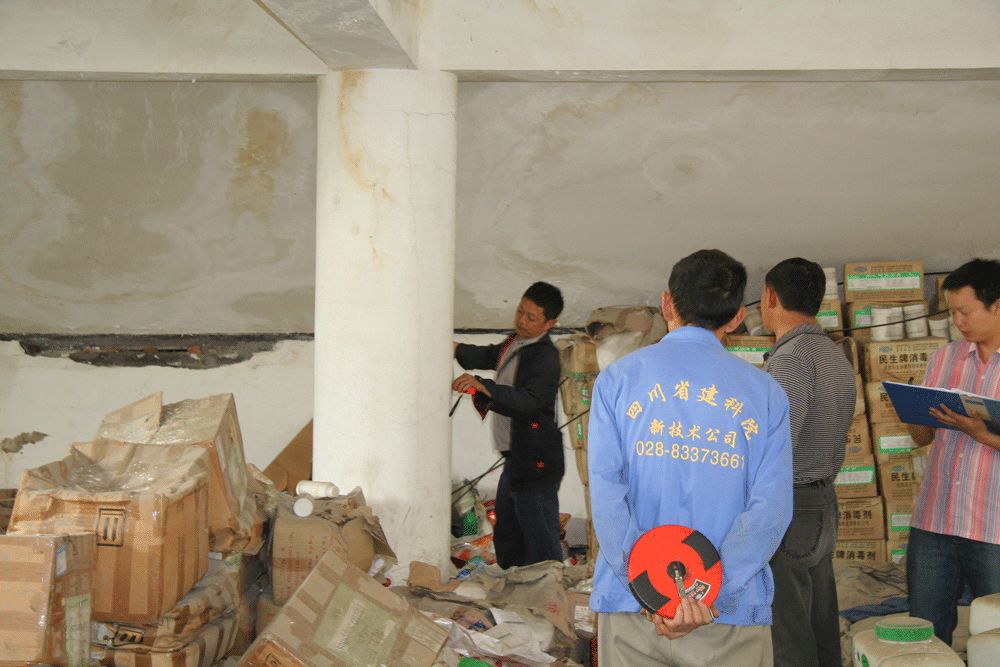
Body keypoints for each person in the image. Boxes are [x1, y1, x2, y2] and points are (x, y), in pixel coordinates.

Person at [588, 249, 793, 666]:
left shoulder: (617, 381)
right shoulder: (765, 394)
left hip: (633, 610)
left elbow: (608, 497)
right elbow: (771, 509)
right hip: (727, 615)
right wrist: (707, 594)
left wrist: (651, 591)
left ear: (667, 304)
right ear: (736, 317)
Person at [759, 258, 857, 667]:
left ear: (770, 297)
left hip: (793, 506)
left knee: (790, 635)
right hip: (821, 502)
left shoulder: (792, 358)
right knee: (819, 625)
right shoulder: (833, 354)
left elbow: (777, 443)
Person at [905, 258, 1000, 645]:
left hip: (992, 526)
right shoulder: (945, 358)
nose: (958, 321)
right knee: (924, 633)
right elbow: (922, 439)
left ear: (997, 306)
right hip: (935, 520)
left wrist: (982, 435)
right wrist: (911, 409)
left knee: (994, 637)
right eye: (952, 312)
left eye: (965, 311)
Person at [453, 281, 566, 568]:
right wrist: (454, 348)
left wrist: (486, 387)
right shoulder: (514, 341)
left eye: (531, 317)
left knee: (538, 535)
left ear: (549, 324)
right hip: (517, 457)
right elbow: (489, 355)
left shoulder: (545, 357)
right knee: (507, 532)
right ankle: (513, 583)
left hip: (537, 459)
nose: (522, 320)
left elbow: (529, 401)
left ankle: (548, 585)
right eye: (520, 311)